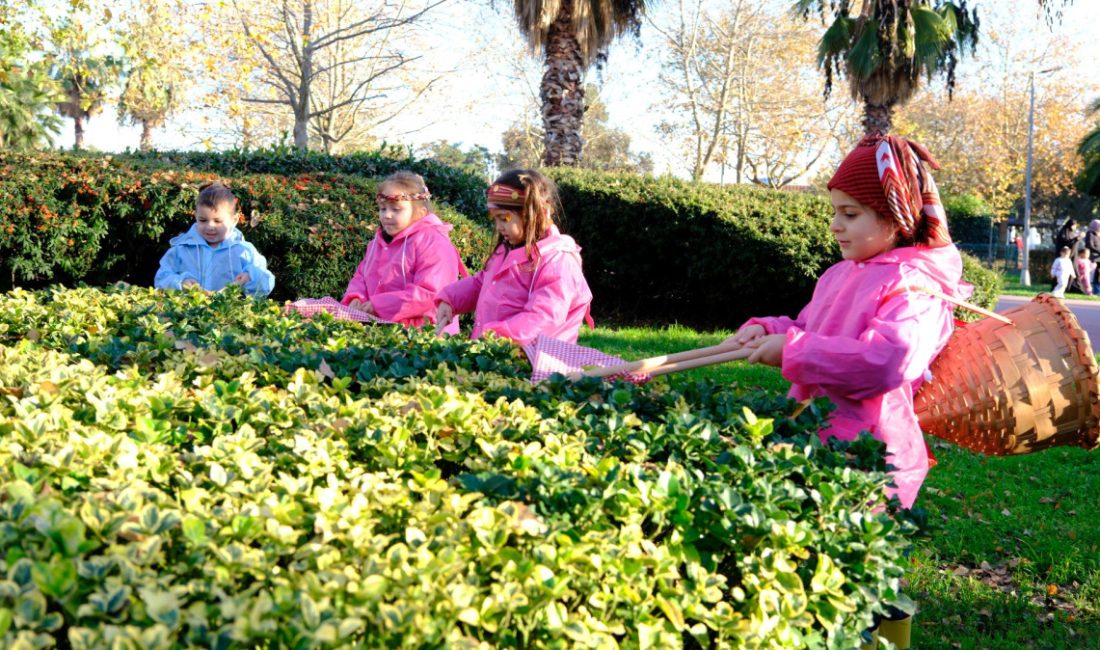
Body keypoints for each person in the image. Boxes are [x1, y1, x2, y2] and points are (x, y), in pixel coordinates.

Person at [725, 134, 966, 511]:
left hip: (870, 451)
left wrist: (794, 350)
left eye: (850, 214)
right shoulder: (840, 274)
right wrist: (771, 329)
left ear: (895, 217)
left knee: (850, 552)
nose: (836, 225)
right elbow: (809, 326)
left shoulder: (915, 287)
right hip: (816, 428)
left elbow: (889, 360)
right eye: (835, 212)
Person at [435, 169, 593, 345]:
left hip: (534, 363)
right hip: (497, 353)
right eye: (495, 219)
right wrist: (450, 299)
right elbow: (483, 282)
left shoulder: (557, 261)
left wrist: (494, 337)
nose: (499, 227)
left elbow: (545, 316)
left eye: (504, 218)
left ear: (532, 214)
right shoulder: (506, 250)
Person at [341, 171, 467, 332]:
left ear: (420, 212)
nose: (386, 215)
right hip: (382, 328)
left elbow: (430, 293)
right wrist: (356, 297)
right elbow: (361, 276)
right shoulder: (376, 243)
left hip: (424, 335)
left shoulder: (434, 242)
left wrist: (378, 305)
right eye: (383, 208)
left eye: (396, 209)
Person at [154, 181, 274, 296]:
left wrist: (251, 276)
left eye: (218, 221)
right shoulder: (181, 249)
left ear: (234, 220)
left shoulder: (244, 251)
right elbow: (161, 278)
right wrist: (181, 282)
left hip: (229, 314)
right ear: (195, 216)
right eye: (203, 220)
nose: (210, 226)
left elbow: (267, 282)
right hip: (186, 313)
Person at [1084, 219, 1100, 293]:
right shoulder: (1090, 233)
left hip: (1098, 256)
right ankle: (1094, 289)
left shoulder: (1098, 234)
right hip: (1092, 257)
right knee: (1093, 274)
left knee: (1097, 274)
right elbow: (1090, 245)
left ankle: (1097, 289)